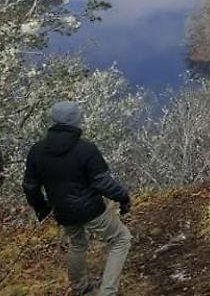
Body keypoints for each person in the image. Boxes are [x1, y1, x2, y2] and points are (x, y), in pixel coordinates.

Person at [22, 101, 132, 296]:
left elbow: (30, 186)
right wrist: (123, 197)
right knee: (121, 239)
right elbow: (102, 182)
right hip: (91, 210)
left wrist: (42, 207)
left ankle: (80, 288)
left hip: (63, 211)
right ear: (75, 121)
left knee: (77, 243)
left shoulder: (37, 151)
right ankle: (107, 292)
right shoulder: (85, 149)